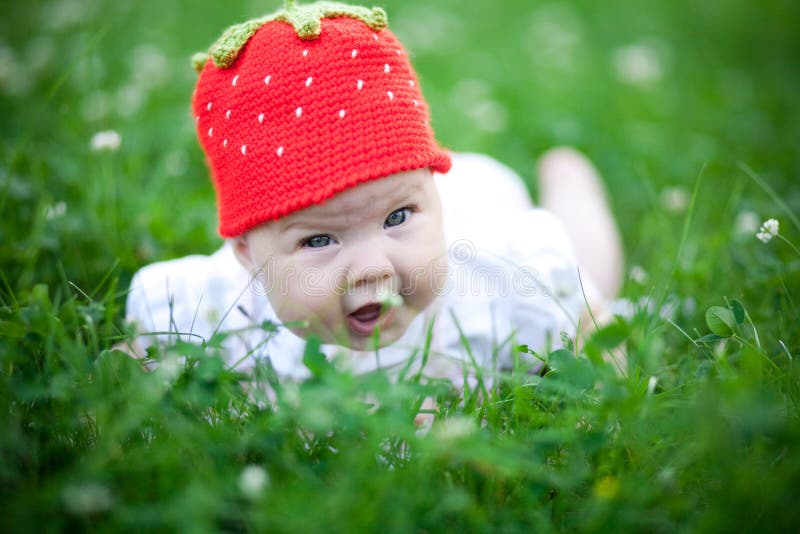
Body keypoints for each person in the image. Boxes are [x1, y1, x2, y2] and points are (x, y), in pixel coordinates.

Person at [124, 0, 624, 384]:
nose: (374, 267)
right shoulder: (216, 315)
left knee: (591, 268)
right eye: (319, 241)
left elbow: (589, 324)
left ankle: (569, 178)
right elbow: (131, 361)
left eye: (399, 218)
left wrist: (604, 376)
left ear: (431, 194)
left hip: (484, 201)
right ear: (246, 255)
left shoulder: (499, 279)